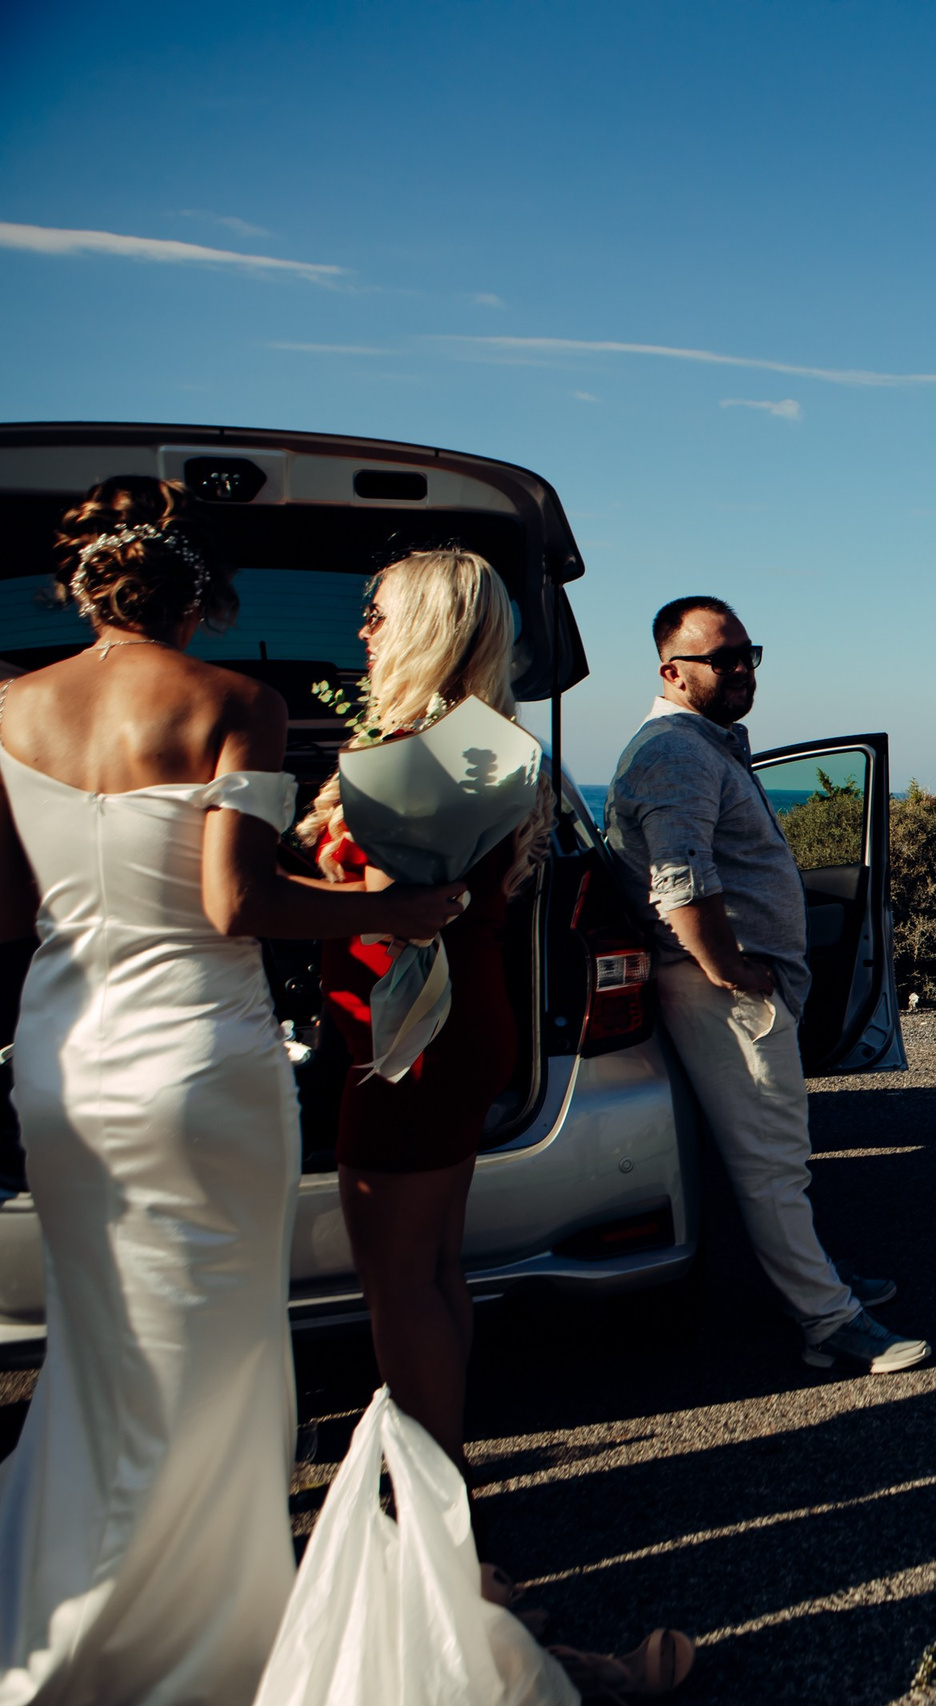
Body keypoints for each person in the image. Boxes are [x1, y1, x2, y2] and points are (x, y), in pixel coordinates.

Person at [0, 479, 468, 1703]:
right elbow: (236, 903)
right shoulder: (236, 703)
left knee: (97, 1338)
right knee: (218, 1344)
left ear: (77, 582)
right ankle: (210, 1632)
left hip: (62, 1056)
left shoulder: (4, 710)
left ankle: (76, 1610)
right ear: (207, 592)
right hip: (197, 1055)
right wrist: (395, 906)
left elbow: (9, 910)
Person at [295, 551, 548, 1561]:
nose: (361, 627)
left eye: (376, 611)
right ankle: (441, 1466)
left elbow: (390, 905)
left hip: (408, 1030)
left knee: (398, 1275)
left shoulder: (420, 750)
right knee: (435, 1264)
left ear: (428, 627)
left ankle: (431, 1502)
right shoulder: (491, 744)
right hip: (465, 1014)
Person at [606, 596, 927, 1375]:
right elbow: (678, 876)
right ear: (671, 670)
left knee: (780, 1156)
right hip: (720, 991)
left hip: (733, 984)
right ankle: (828, 1322)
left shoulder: (701, 744)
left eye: (750, 653)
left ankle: (816, 1280)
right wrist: (730, 969)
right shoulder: (676, 750)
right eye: (724, 658)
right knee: (773, 1162)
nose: (743, 668)